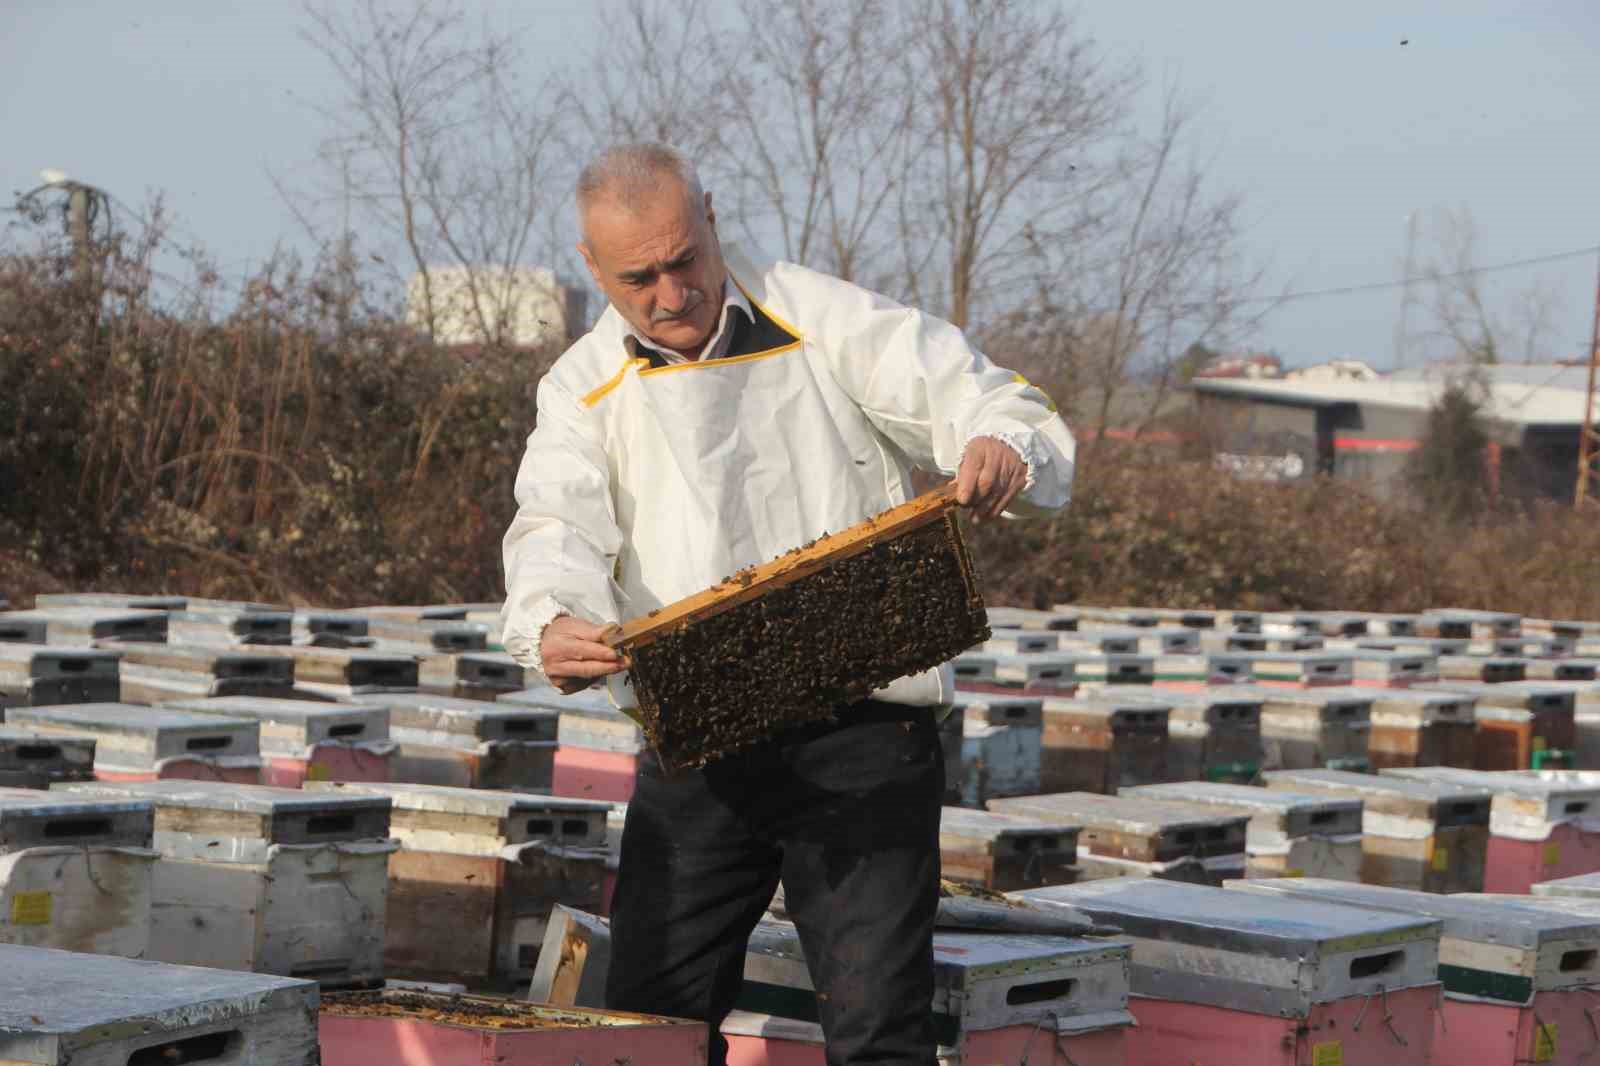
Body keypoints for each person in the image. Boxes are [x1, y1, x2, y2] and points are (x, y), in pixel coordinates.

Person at [501, 143, 1074, 1066]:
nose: (669, 293)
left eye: (683, 260)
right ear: (591, 267)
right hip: (700, 739)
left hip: (864, 734)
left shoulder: (821, 315)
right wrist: (547, 620)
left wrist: (1001, 441)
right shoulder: (579, 387)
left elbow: (980, 391)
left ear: (713, 218)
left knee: (877, 1027)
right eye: (637, 276)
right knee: (650, 1022)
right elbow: (555, 526)